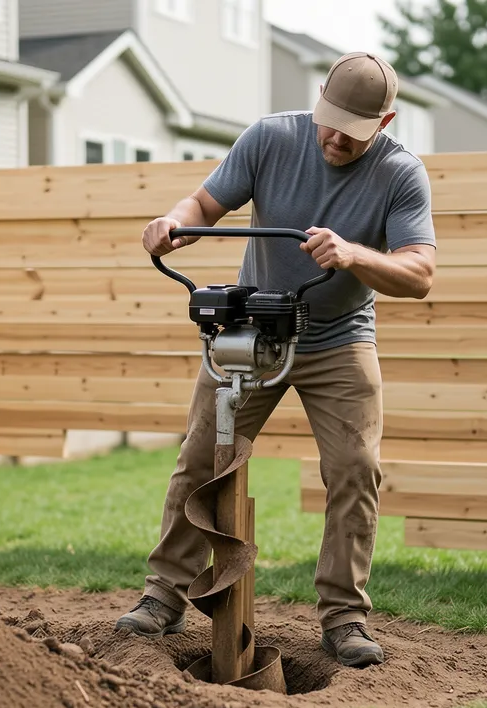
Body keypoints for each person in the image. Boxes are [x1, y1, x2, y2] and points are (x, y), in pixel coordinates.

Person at [115, 51, 437, 668]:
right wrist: (171, 223)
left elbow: (419, 274)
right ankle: (163, 597)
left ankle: (344, 618)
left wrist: (352, 256)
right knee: (201, 456)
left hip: (339, 337)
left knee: (355, 467)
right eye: (329, 120)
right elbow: (203, 207)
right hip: (252, 331)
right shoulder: (270, 138)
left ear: (386, 122)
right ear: (318, 98)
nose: (335, 137)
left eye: (355, 130)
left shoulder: (401, 174)